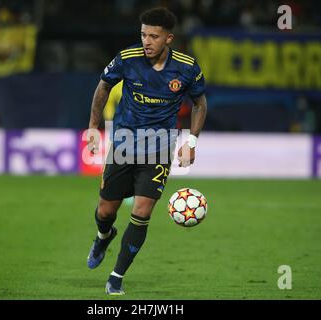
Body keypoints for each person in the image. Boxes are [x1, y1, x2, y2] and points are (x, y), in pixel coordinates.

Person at [86, 7, 207, 295]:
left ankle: (116, 276)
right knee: (106, 210)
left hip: (160, 147)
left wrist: (191, 142)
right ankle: (104, 235)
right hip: (124, 143)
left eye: (154, 36)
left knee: (141, 211)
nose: (147, 41)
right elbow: (103, 86)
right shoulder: (127, 59)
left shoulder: (187, 67)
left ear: (169, 38)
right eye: (143, 35)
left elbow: (200, 103)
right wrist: (93, 127)